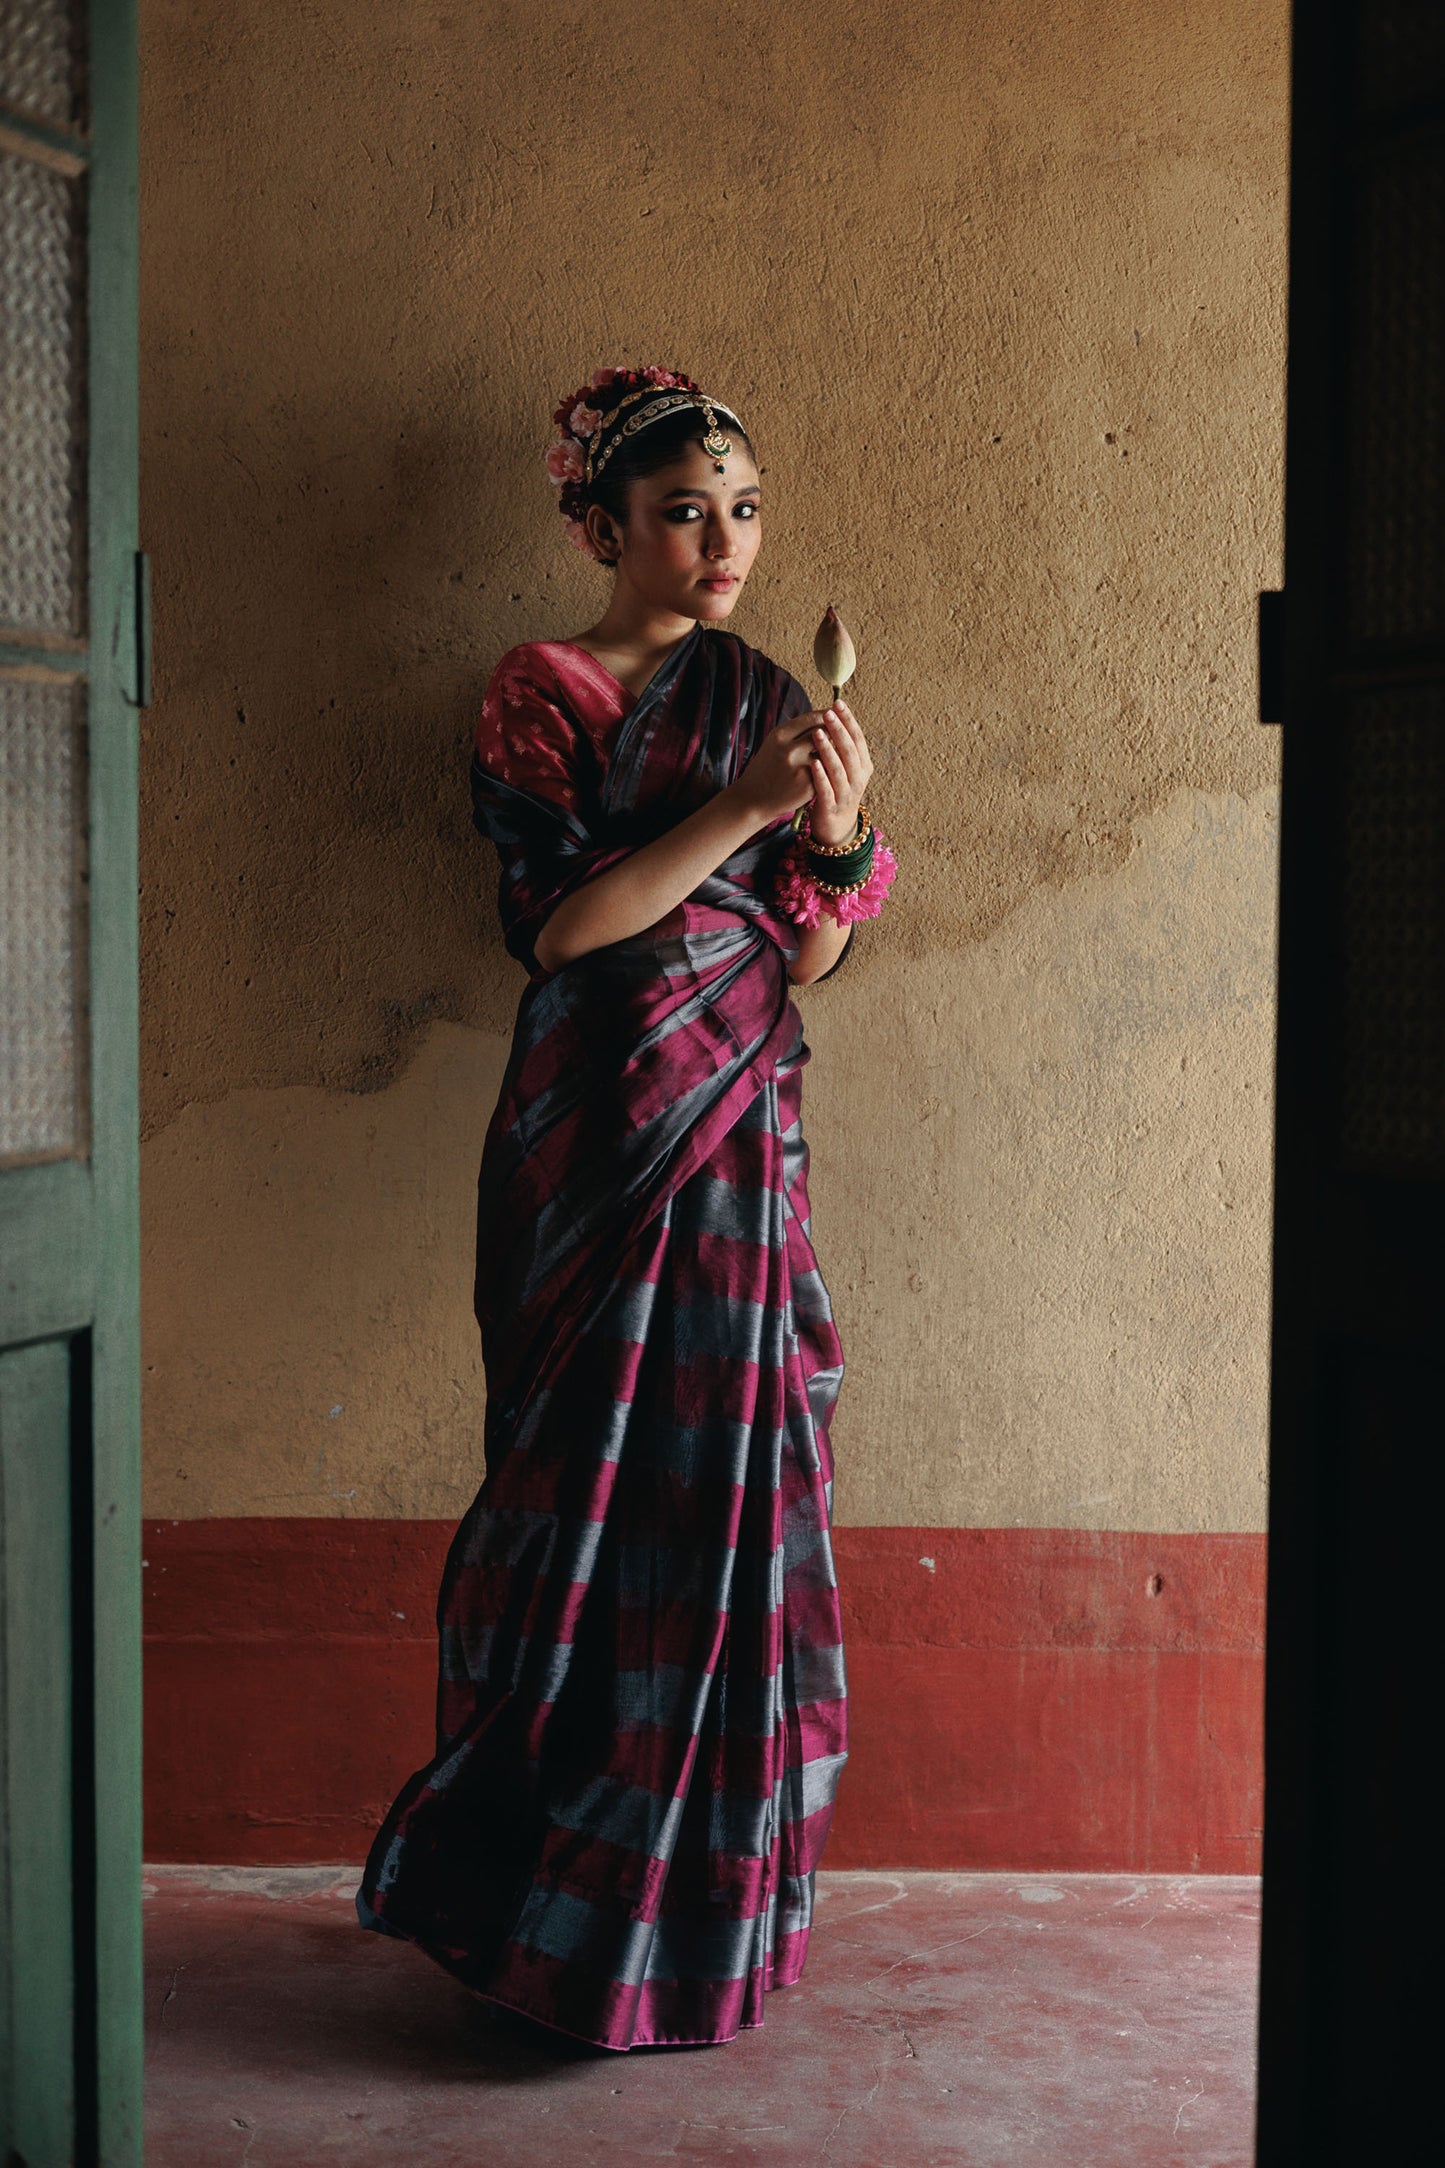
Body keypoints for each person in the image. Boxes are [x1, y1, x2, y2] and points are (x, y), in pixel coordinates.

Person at [356, 363, 897, 2051]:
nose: (720, 540)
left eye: (740, 508)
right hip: (594, 1138)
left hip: (741, 1129)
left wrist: (834, 828)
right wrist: (740, 810)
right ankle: (533, 1928)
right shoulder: (546, 689)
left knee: (727, 1499)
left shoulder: (763, 697)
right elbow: (560, 930)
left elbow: (810, 953)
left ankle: (692, 1932)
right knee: (576, 1505)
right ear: (598, 524)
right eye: (679, 511)